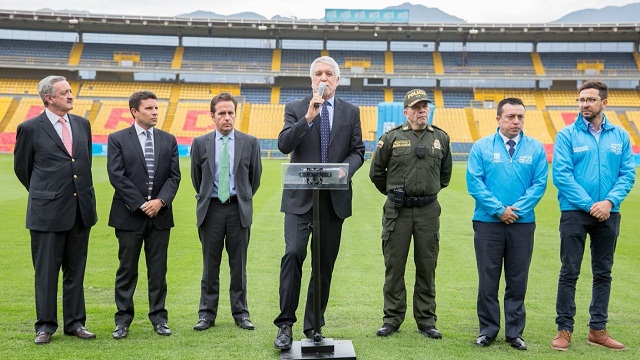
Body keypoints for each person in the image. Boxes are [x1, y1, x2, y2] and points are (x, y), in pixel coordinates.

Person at [273, 56, 365, 350]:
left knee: (323, 265)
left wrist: (344, 170)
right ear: (311, 79)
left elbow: (358, 151)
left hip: (332, 200)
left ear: (337, 80)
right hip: (300, 199)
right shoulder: (296, 108)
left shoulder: (351, 112)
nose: (323, 78)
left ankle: (314, 326)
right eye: (318, 74)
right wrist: (309, 118)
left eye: (329, 74)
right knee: (293, 255)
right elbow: (284, 144)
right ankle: (285, 325)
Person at [551, 80, 635, 351]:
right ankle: (564, 330)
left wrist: (609, 202)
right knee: (569, 272)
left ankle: (598, 330)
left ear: (604, 103)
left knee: (603, 273)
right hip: (575, 212)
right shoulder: (566, 135)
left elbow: (627, 174)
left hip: (609, 213)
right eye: (581, 99)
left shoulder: (620, 136)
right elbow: (562, 175)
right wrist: (591, 205)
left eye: (589, 99)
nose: (584, 104)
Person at [14, 75, 98, 345]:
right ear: (49, 97)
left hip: (79, 211)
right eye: (64, 92)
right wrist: (47, 195)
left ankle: (75, 323)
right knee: (47, 274)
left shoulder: (82, 124)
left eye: (71, 91)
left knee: (76, 273)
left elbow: (82, 163)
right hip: (47, 214)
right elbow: (23, 169)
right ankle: (45, 326)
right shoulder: (30, 128)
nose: (71, 95)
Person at [369, 89, 452, 339]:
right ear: (406, 112)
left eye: (425, 106)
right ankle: (392, 318)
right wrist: (396, 194)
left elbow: (445, 175)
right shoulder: (392, 137)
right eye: (417, 107)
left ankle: (426, 320)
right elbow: (376, 173)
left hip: (428, 211)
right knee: (394, 266)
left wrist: (426, 192)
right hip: (398, 211)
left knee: (427, 266)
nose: (422, 110)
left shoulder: (440, 138)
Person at [466, 98, 548, 350]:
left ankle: (515, 333)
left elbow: (539, 184)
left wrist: (517, 210)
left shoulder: (535, 148)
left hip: (522, 225)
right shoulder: (481, 147)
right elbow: (475, 184)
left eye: (520, 117)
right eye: (510, 116)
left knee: (517, 280)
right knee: (488, 279)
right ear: (498, 118)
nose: (516, 121)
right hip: (488, 223)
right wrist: (499, 209)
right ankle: (487, 330)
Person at [107, 91, 181, 339]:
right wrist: (141, 204)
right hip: (129, 216)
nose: (155, 112)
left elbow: (174, 177)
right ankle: (123, 320)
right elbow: (117, 176)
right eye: (149, 108)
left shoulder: (168, 139)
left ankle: (159, 318)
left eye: (156, 108)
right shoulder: (117, 138)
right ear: (134, 112)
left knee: (158, 271)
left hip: (159, 216)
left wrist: (160, 201)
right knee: (126, 270)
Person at [190, 92, 262, 332]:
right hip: (210, 210)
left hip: (237, 210)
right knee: (210, 266)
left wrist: (240, 197)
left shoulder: (250, 142)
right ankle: (206, 315)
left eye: (231, 112)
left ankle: (241, 313)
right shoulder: (200, 143)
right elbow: (196, 179)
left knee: (238, 266)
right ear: (212, 116)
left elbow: (255, 178)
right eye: (221, 113)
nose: (227, 117)